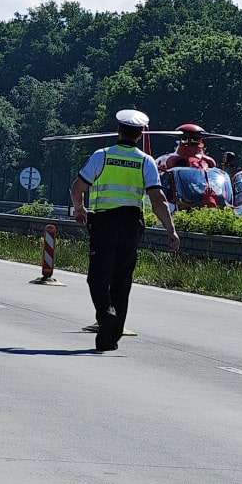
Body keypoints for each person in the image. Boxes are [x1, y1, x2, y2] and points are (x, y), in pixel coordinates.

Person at [70, 109, 180, 352]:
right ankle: (111, 337)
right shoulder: (146, 161)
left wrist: (80, 210)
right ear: (140, 135)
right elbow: (158, 199)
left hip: (103, 223)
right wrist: (171, 230)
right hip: (131, 225)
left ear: (119, 130)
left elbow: (77, 187)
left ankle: (106, 313)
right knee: (122, 280)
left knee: (97, 277)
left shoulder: (102, 156)